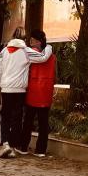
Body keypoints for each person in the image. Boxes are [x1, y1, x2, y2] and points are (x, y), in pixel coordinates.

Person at [0, 27, 52, 159]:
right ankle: (13, 147)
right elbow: (43, 57)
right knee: (17, 118)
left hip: (6, 88)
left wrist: (4, 80)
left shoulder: (4, 50)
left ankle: (5, 144)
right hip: (19, 90)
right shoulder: (26, 51)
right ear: (24, 39)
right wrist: (48, 47)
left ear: (13, 36)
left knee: (5, 116)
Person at [19, 29, 56, 157]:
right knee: (43, 123)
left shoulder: (31, 55)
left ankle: (23, 147)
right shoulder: (52, 57)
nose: (30, 41)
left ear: (39, 41)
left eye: (33, 39)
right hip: (46, 92)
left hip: (33, 91)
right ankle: (41, 150)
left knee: (28, 121)